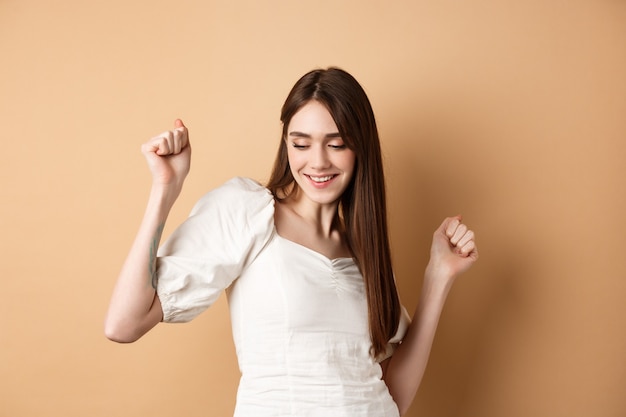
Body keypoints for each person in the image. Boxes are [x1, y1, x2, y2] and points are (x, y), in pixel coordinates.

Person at [105, 67, 478, 416]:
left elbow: (390, 396)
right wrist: (165, 189)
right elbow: (124, 324)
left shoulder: (366, 252)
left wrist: (438, 276)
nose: (317, 162)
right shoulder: (247, 210)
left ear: (360, 147)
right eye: (301, 144)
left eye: (336, 144)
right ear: (286, 144)